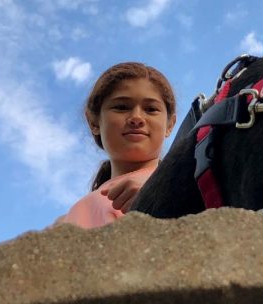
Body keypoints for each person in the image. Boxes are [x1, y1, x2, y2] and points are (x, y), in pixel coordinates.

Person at [55, 62, 176, 228]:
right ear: (93, 122)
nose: (137, 117)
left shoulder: (190, 186)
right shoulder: (73, 216)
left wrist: (164, 199)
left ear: (170, 125)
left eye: (151, 109)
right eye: (121, 107)